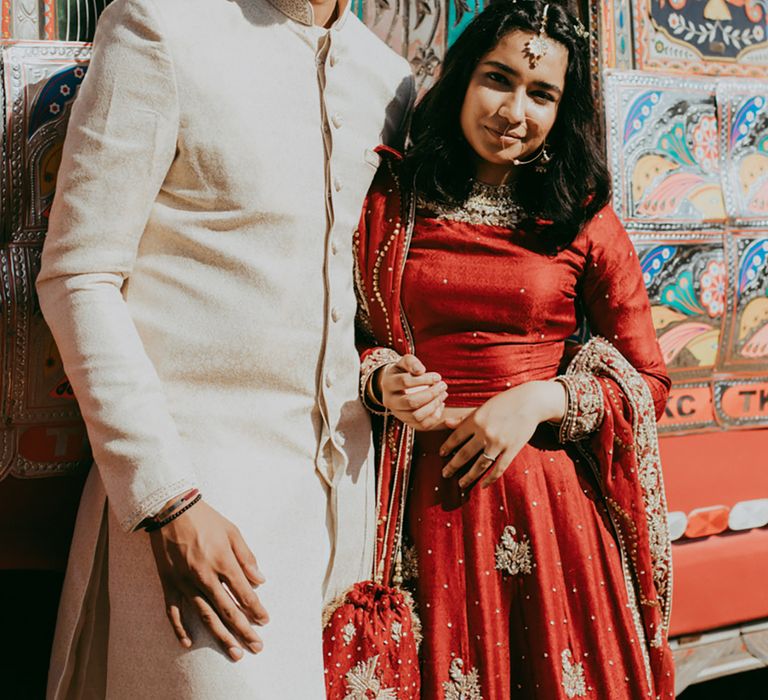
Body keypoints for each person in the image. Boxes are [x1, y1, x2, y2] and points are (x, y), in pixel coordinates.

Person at [35, 0, 414, 697]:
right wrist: (167, 498)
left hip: (347, 519)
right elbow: (78, 274)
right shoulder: (163, 26)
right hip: (202, 497)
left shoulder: (387, 81)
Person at [354, 1, 676, 698]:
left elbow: (649, 380)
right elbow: (343, 339)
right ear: (463, 78)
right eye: (498, 80)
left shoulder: (581, 217)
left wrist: (542, 399)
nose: (514, 111)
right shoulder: (393, 201)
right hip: (414, 509)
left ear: (563, 110)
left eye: (541, 94)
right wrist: (383, 382)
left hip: (548, 515)